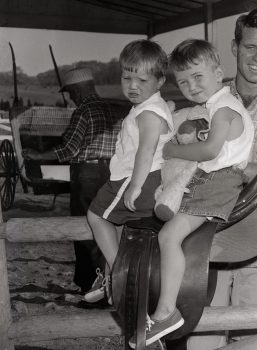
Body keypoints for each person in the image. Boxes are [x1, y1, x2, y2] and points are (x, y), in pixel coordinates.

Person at [184, 8, 257, 350]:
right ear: (235, 48)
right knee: (201, 338)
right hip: (205, 236)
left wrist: (230, 167)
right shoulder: (206, 99)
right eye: (250, 47)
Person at [127, 39, 255, 348]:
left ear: (219, 73)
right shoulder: (218, 107)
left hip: (219, 181)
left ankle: (166, 311)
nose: (191, 86)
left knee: (168, 237)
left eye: (198, 77)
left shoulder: (224, 109)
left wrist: (173, 148)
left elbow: (210, 150)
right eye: (183, 81)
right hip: (214, 178)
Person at [22, 67, 121, 303]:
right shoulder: (111, 108)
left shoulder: (83, 111)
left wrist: (38, 154)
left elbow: (69, 149)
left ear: (77, 89)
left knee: (84, 229)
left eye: (70, 93)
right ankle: (108, 285)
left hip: (86, 174)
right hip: (110, 173)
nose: (71, 98)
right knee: (105, 229)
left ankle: (91, 289)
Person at [86, 39, 174, 303]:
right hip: (145, 177)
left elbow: (146, 150)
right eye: (127, 78)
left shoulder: (147, 113)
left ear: (159, 82)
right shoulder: (152, 107)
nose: (133, 86)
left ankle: (118, 273)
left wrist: (135, 185)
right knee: (116, 225)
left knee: (96, 216)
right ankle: (114, 271)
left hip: (136, 178)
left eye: (142, 81)